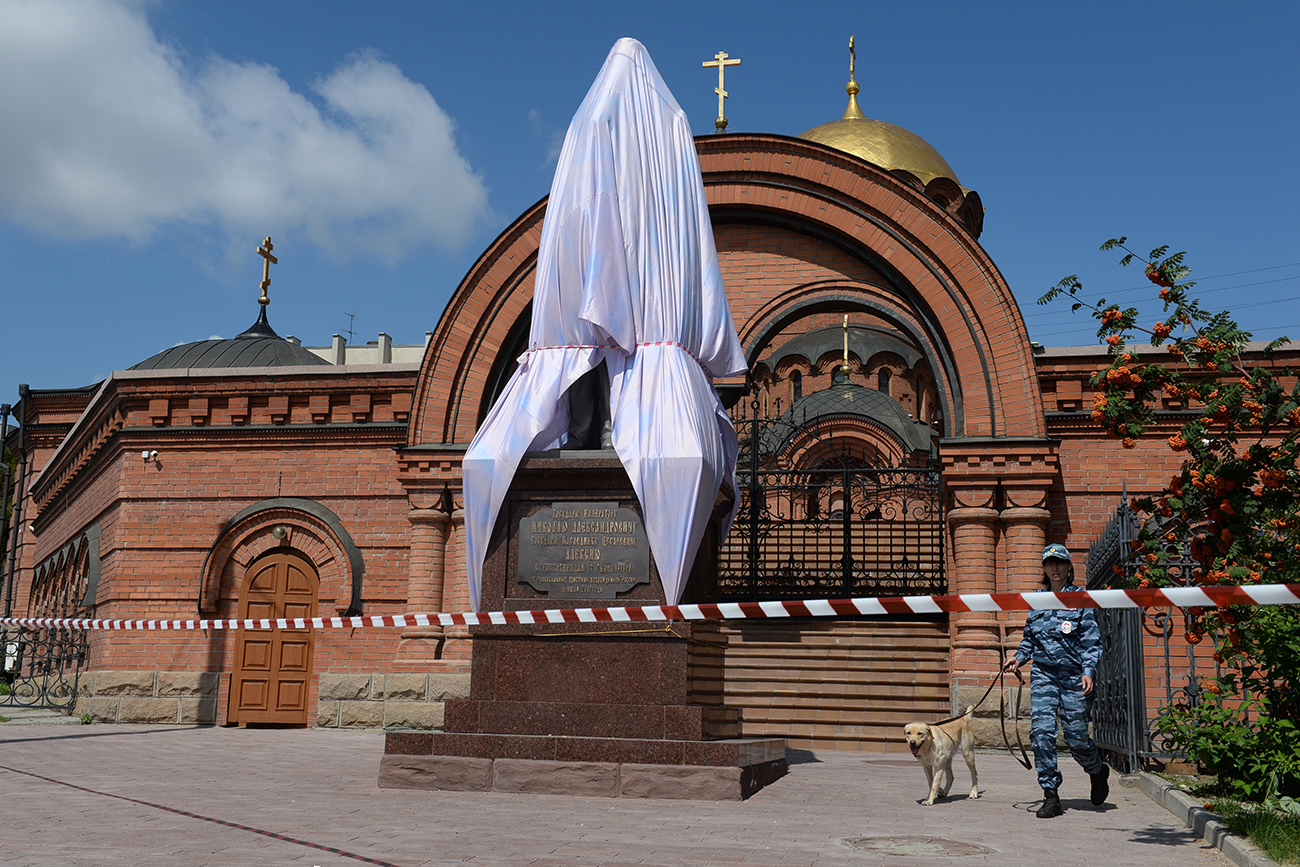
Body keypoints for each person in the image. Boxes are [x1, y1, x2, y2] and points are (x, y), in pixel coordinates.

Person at [1003, 543, 1110, 817]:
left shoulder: (1079, 598)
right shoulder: (1038, 599)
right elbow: (1030, 639)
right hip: (1044, 674)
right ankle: (1051, 795)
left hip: (1074, 674)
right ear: (1044, 569)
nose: (1055, 568)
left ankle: (1096, 770)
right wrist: (1018, 657)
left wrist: (1088, 671)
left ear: (1068, 567)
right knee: (1041, 733)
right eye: (1050, 564)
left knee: (1076, 737)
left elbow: (1090, 640)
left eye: (1059, 563)